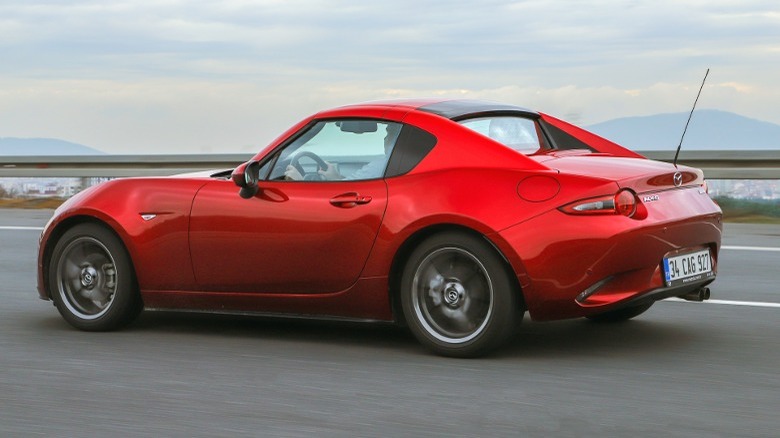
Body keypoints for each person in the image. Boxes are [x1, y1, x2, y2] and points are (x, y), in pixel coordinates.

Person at [284, 123, 401, 181]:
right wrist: (336, 177)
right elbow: (351, 185)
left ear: (398, 139)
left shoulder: (382, 165)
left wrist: (299, 181)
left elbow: (347, 194)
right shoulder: (394, 163)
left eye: (389, 133)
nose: (385, 138)